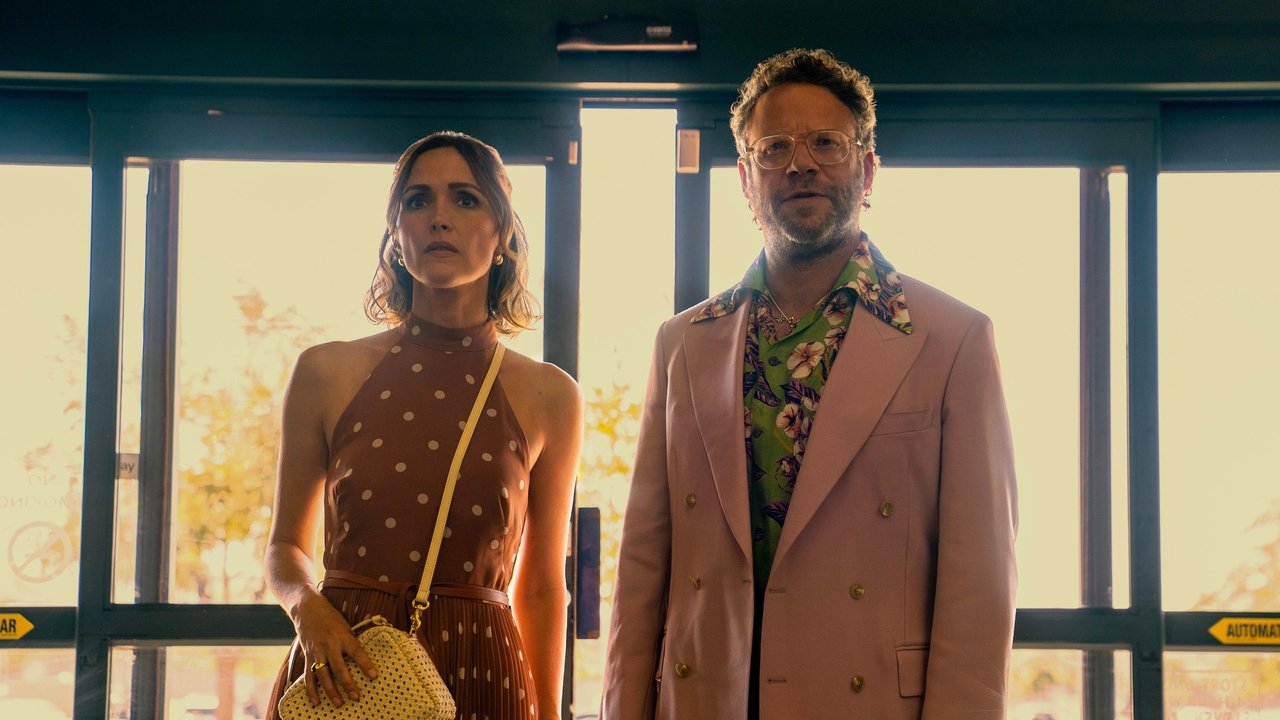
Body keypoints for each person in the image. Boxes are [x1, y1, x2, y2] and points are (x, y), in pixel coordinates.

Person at [602, 48, 1018, 719]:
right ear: (745, 178)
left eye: (826, 142)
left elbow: (979, 586)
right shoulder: (681, 343)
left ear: (867, 168)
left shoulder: (952, 338)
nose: (800, 163)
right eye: (773, 148)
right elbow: (643, 568)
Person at [264, 130, 582, 720]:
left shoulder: (550, 394)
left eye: (465, 198)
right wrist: (307, 608)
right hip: (347, 669)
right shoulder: (325, 372)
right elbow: (285, 547)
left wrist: (548, 714)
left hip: (485, 672)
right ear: (395, 233)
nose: (439, 217)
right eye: (417, 200)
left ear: (503, 233)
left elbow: (541, 587)